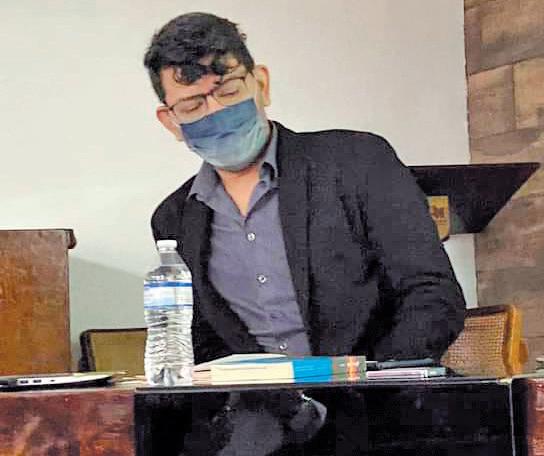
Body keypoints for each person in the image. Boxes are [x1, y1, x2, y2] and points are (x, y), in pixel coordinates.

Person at [143, 12, 465, 453]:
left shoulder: (356, 161)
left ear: (261, 83)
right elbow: (202, 342)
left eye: (228, 91)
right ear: (170, 121)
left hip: (380, 417)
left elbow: (432, 294)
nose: (216, 112)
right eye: (193, 106)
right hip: (266, 427)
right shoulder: (174, 219)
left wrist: (367, 386)